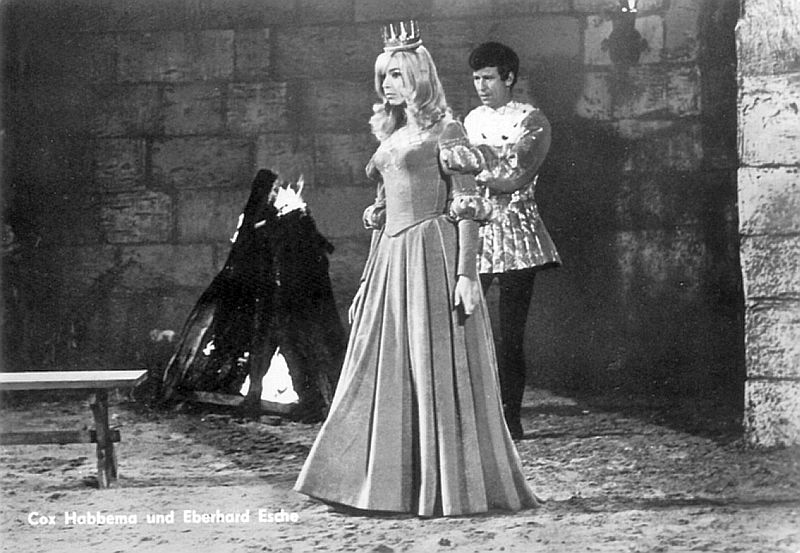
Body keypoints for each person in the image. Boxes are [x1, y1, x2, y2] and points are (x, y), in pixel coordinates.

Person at [294, 22, 539, 517]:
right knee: (380, 366)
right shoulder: (394, 133)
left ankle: (443, 487)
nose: (388, 84)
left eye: (398, 75)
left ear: (420, 78)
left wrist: (466, 274)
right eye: (384, 76)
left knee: (433, 368)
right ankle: (377, 486)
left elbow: (467, 206)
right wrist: (368, 279)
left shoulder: (447, 130)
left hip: (432, 254)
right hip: (391, 259)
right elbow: (383, 212)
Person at [451, 42, 561, 440]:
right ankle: (467, 417)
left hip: (517, 236)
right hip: (477, 236)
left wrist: (471, 165)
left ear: (509, 78)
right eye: (476, 79)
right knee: (462, 325)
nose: (481, 86)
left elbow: (514, 174)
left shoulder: (533, 121)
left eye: (489, 78)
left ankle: (509, 418)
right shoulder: (470, 120)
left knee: (510, 334)